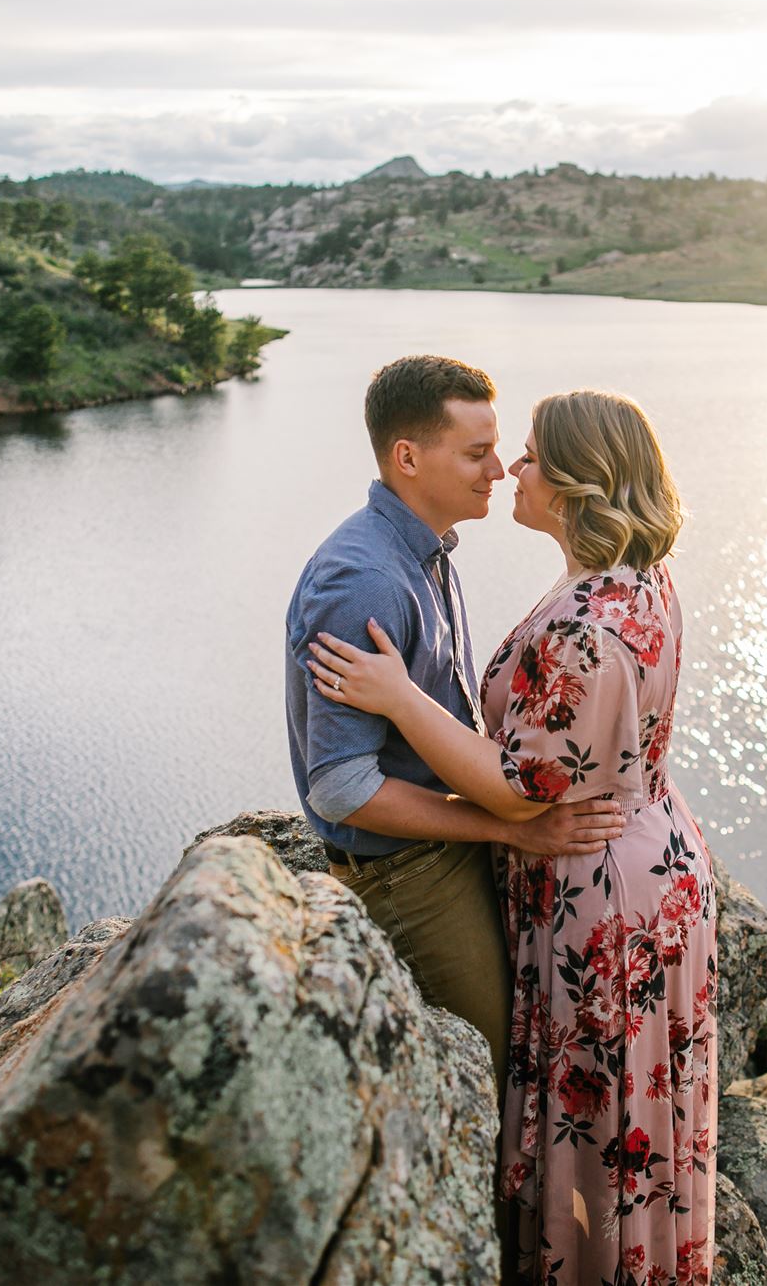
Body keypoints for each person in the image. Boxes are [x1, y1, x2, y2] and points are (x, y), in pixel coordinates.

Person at [308, 389, 718, 1286]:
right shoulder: (635, 578)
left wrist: (395, 696)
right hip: (647, 846)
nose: (511, 470)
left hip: (599, 887)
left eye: (528, 456)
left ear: (575, 484)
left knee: (600, 1114)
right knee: (633, 1101)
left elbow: (521, 790)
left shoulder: (587, 624)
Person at [284, 353, 628, 1100]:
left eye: (499, 449)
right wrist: (510, 827)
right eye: (476, 452)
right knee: (491, 1072)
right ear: (408, 457)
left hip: (449, 842)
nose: (500, 469)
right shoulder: (365, 579)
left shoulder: (424, 550)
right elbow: (341, 788)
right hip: (411, 872)